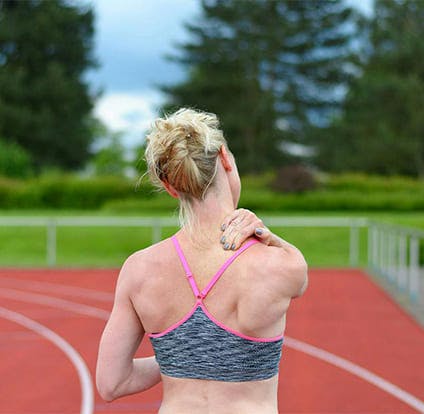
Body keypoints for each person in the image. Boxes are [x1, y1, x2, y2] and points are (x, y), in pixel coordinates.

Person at [96, 108, 308, 413]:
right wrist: (268, 236)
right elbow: (301, 279)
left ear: (170, 186)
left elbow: (111, 383)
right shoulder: (279, 265)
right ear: (224, 157)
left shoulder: (139, 270)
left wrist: (177, 354)